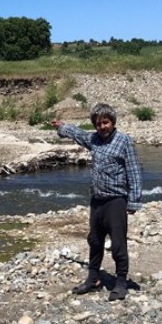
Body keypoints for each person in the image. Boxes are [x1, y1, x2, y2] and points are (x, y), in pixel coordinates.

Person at [51, 103, 142, 301]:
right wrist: (61, 127)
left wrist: (134, 201)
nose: (102, 127)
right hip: (97, 201)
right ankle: (93, 279)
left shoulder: (124, 141)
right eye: (98, 124)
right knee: (94, 240)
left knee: (118, 244)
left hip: (116, 201)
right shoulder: (94, 139)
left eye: (106, 122)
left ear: (113, 122)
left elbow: (134, 171)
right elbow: (78, 134)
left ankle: (120, 282)